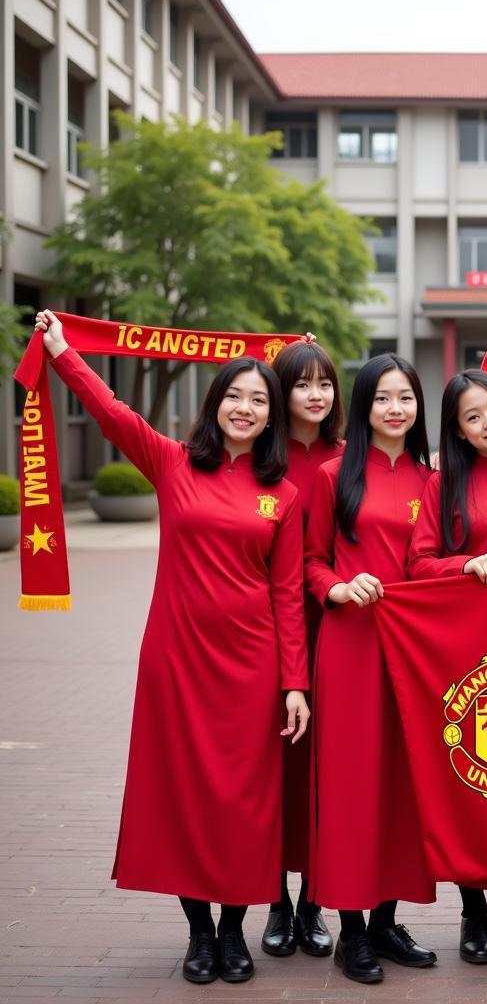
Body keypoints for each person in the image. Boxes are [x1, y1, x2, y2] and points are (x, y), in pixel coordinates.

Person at [33, 310, 310, 986]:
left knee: (246, 807)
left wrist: (294, 683)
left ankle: (235, 933)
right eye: (234, 397)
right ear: (214, 407)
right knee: (184, 797)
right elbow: (112, 412)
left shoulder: (285, 494)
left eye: (259, 400)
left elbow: (288, 595)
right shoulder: (172, 463)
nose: (245, 408)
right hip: (177, 661)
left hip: (252, 669)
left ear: (273, 417)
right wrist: (64, 352)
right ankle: (198, 934)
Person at [303, 353, 436, 984]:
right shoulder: (334, 475)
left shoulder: (433, 479)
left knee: (402, 788)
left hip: (413, 653)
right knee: (354, 787)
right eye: (382, 398)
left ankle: (385, 921)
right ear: (363, 407)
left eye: (405, 397)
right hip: (351, 647)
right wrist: (336, 588)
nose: (395, 409)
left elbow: (438, 562)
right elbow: (308, 563)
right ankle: (351, 931)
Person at [407, 369, 487, 966]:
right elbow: (419, 564)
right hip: (462, 648)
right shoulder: (444, 485)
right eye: (473, 416)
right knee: (468, 776)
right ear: (457, 431)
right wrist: (464, 564)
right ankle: (471, 912)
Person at [260, 338, 344, 960]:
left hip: (340, 628)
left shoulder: (350, 459)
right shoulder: (260, 461)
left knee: (327, 772)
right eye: (302, 384)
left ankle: (315, 899)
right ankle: (275, 899)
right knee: (277, 771)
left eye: (325, 384)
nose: (316, 396)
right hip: (268, 632)